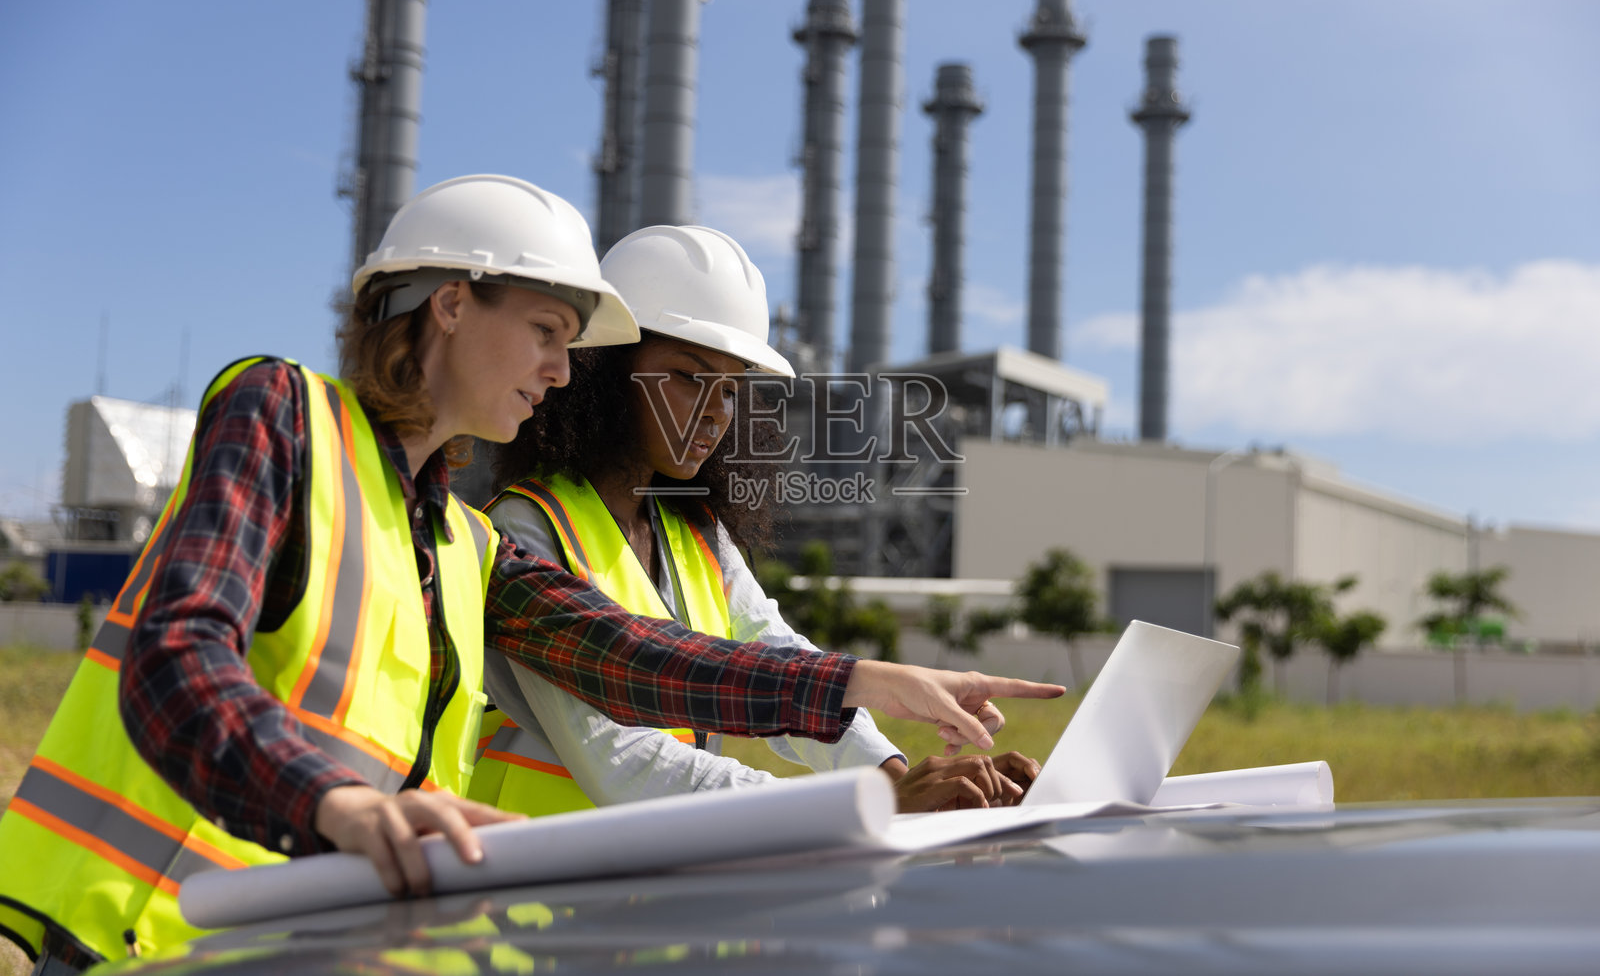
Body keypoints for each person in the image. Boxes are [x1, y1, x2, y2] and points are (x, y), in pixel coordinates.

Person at [0, 176, 1062, 974]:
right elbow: (175, 651)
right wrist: (334, 801)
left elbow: (623, 651)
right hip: (147, 927)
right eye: (548, 331)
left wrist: (851, 686)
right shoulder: (283, 413)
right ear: (451, 305)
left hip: (304, 944)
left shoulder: (466, 545)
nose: (560, 369)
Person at [468, 224, 1041, 819]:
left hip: (645, 887)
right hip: (531, 894)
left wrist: (896, 772)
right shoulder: (524, 530)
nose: (716, 412)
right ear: (602, 372)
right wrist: (869, 802)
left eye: (732, 387)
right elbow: (623, 760)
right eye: (690, 378)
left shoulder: (695, 533)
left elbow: (777, 654)